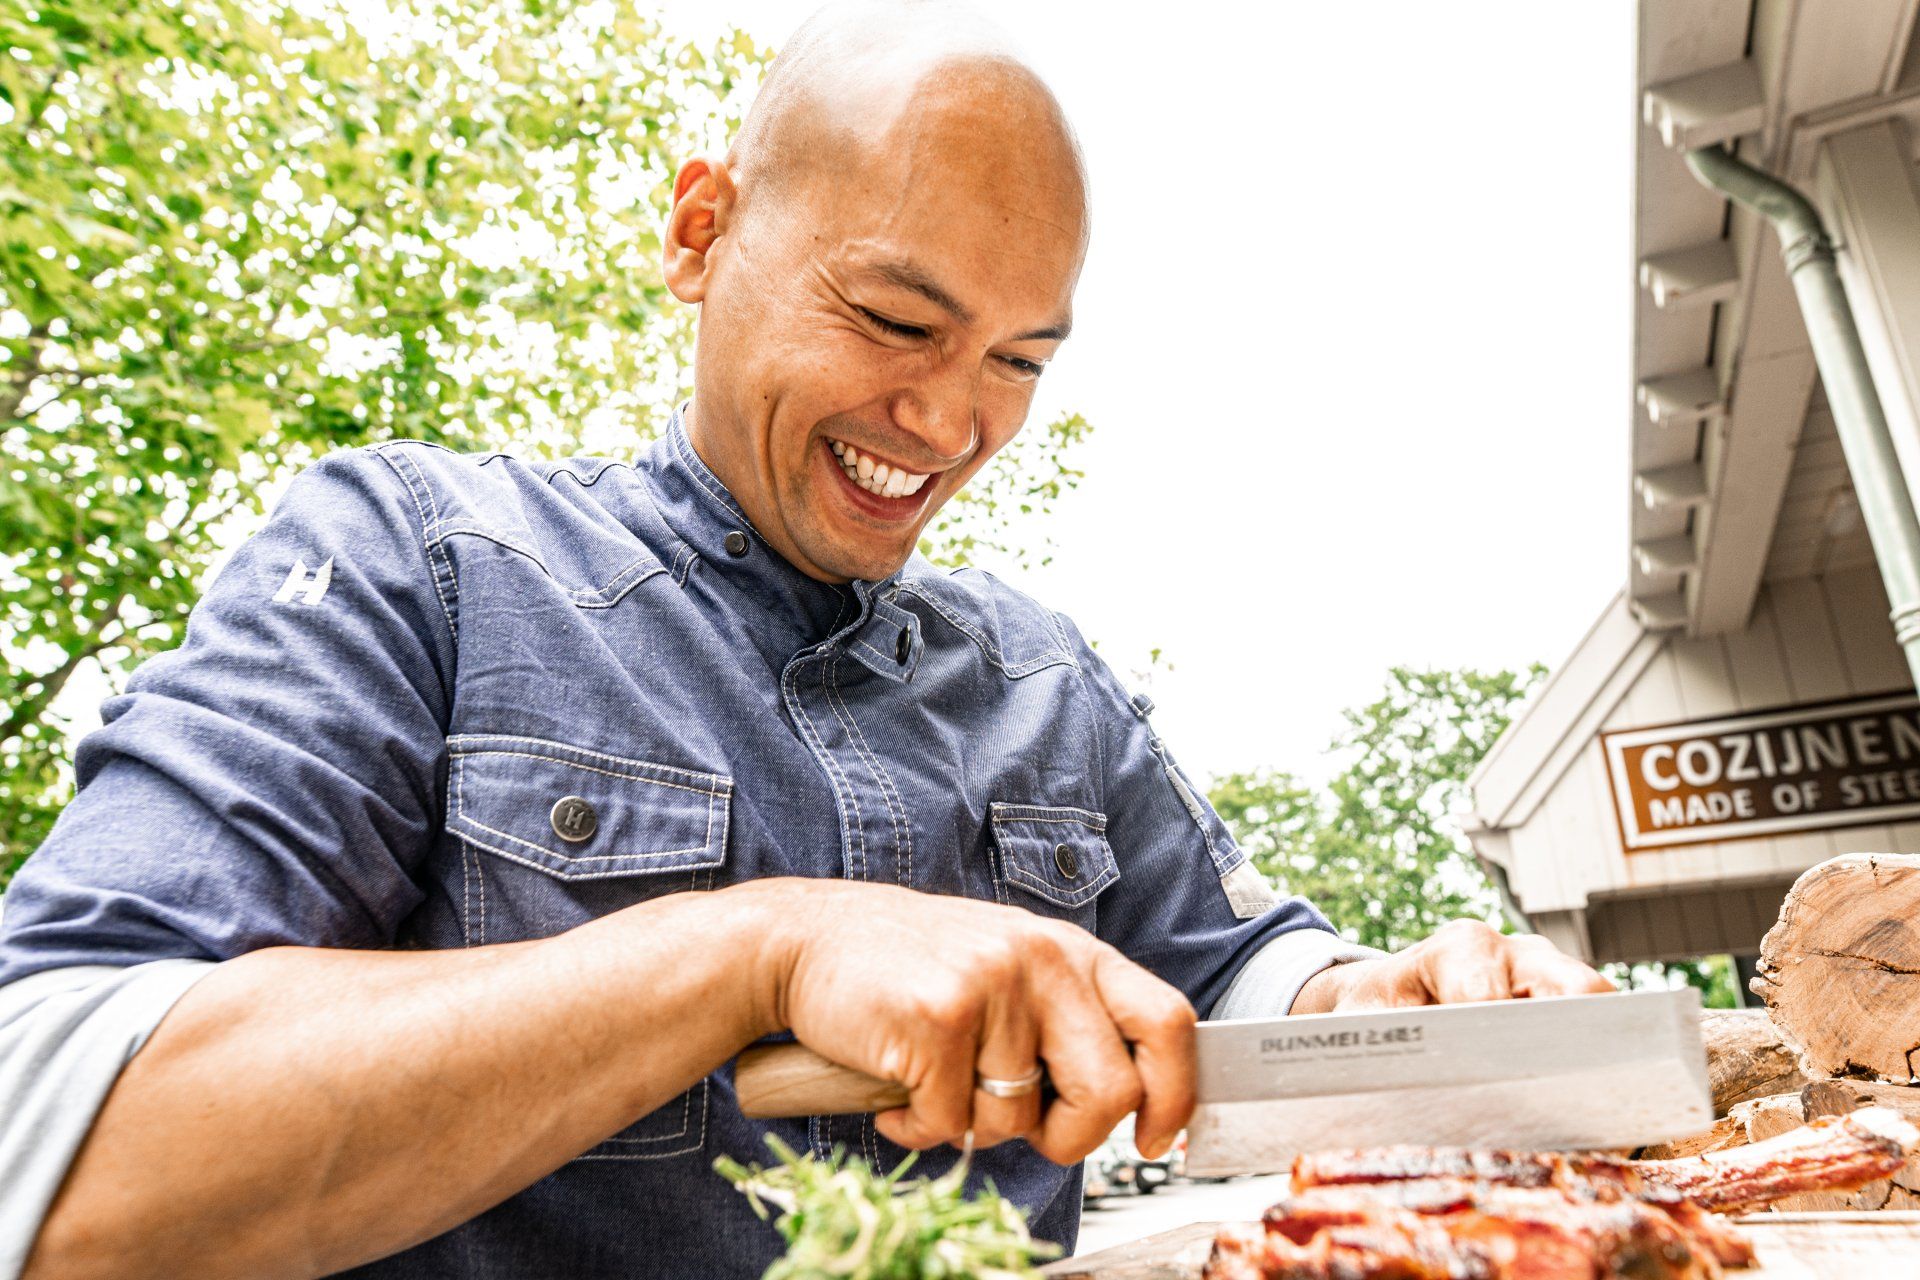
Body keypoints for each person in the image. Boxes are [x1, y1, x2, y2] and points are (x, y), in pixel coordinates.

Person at [0, 3, 1615, 1277]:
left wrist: (1380, 1002)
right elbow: (55, 1141)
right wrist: (752, 948)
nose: (950, 418)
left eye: (1021, 359)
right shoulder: (414, 565)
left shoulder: (1048, 679)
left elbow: (1243, 980)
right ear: (702, 234)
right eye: (898, 321)